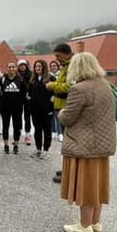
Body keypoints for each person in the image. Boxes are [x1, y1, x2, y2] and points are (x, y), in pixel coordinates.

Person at [58, 53, 117, 232]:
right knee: (98, 185)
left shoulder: (79, 89)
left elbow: (68, 118)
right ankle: (95, 224)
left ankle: (84, 227)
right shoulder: (105, 86)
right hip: (103, 143)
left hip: (85, 144)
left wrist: (61, 112)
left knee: (86, 186)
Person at [47, 45, 72, 183]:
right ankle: (67, 167)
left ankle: (69, 172)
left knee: (69, 142)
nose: (57, 59)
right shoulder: (65, 66)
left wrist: (52, 85)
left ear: (67, 54)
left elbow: (70, 86)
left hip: (67, 107)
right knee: (66, 143)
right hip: (60, 106)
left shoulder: (72, 66)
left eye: (58, 56)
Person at [28, 59, 56, 160]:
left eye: (39, 66)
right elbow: (29, 93)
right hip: (35, 110)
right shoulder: (33, 80)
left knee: (47, 130)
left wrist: (52, 100)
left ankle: (46, 150)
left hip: (47, 109)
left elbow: (56, 92)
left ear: (44, 67)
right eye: (36, 67)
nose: (37, 68)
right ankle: (38, 149)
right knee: (37, 130)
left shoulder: (51, 78)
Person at [0, 61, 26, 154]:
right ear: (7, 68)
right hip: (5, 106)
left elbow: (25, 91)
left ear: (15, 68)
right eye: (9, 67)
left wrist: (21, 101)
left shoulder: (20, 79)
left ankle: (16, 144)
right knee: (5, 125)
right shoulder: (2, 79)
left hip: (17, 107)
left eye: (13, 67)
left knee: (16, 126)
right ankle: (6, 144)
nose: (11, 68)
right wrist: (1, 99)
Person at [17, 60, 33, 145]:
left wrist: (29, 93)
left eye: (23, 65)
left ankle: (27, 134)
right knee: (18, 116)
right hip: (19, 97)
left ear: (26, 66)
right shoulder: (16, 74)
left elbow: (32, 85)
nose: (22, 67)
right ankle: (18, 132)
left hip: (27, 97)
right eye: (20, 65)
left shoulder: (31, 74)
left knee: (27, 117)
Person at [49, 60, 64, 142]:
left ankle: (60, 133)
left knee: (59, 116)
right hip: (50, 99)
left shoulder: (61, 75)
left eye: (54, 66)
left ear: (58, 67)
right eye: (51, 66)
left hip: (59, 97)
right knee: (51, 116)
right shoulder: (48, 76)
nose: (53, 67)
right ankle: (53, 131)